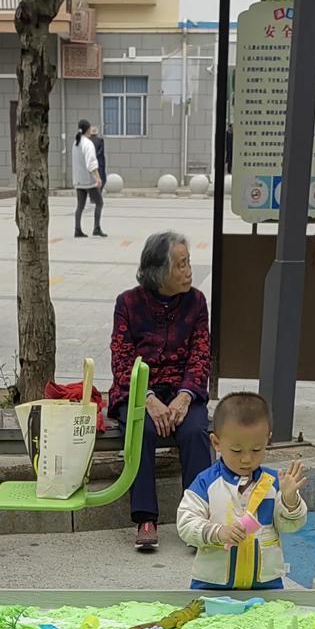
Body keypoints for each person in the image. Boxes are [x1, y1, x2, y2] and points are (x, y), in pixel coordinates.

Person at [109, 230, 211, 553]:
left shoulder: (196, 302)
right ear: (159, 271)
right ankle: (145, 519)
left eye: (188, 262)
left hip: (182, 390)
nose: (189, 271)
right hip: (139, 390)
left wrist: (185, 395)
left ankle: (197, 517)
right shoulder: (128, 303)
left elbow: (201, 355)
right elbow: (122, 359)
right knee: (142, 430)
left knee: (195, 431)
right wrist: (148, 397)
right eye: (180, 265)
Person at [177, 390, 306, 590]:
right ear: (216, 443)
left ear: (267, 440)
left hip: (266, 585)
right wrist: (218, 532)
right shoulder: (206, 483)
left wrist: (290, 501)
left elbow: (290, 526)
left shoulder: (274, 483)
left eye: (256, 449)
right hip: (212, 585)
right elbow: (186, 524)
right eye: (236, 450)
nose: (247, 459)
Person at [72, 118, 104, 238]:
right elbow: (91, 162)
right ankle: (96, 228)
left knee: (80, 205)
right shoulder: (88, 143)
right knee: (99, 202)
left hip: (78, 179)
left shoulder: (76, 143)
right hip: (88, 180)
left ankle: (77, 229)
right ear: (87, 129)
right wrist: (97, 177)